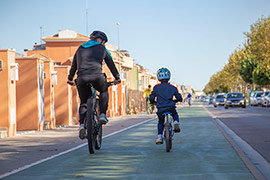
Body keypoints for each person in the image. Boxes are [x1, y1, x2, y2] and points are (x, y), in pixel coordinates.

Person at [67, 30, 121, 139]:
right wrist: (117, 77)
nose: (103, 44)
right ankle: (102, 114)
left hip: (81, 77)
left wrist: (70, 78)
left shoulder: (80, 48)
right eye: (103, 42)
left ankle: (82, 125)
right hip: (97, 76)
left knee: (83, 102)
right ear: (99, 40)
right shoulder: (102, 48)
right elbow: (110, 63)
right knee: (103, 90)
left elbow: (74, 66)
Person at [149, 67, 182, 144]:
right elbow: (179, 97)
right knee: (174, 114)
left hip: (160, 107)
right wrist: (177, 100)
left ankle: (159, 137)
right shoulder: (173, 87)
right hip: (170, 106)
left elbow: (151, 97)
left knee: (161, 121)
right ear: (169, 77)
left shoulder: (156, 87)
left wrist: (153, 102)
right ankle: (176, 122)